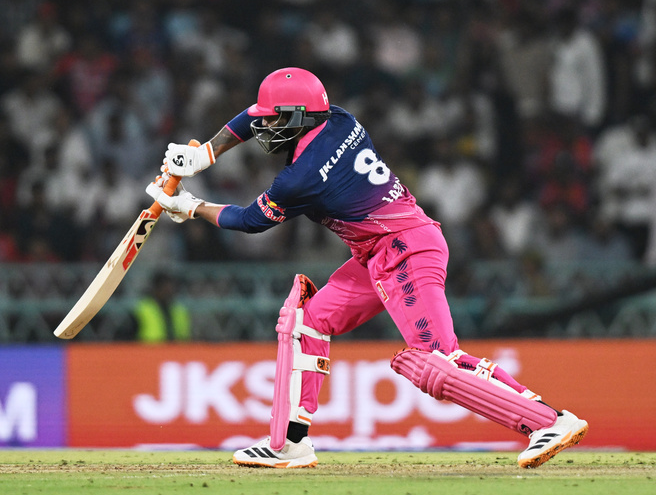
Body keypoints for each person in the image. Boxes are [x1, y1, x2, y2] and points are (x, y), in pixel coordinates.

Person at [146, 67, 587, 469]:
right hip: (379, 254)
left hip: (405, 253)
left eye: (277, 120)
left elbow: (249, 221)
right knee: (307, 320)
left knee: (435, 361)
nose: (266, 127)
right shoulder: (339, 118)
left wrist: (191, 206)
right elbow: (252, 115)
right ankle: (290, 445)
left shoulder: (302, 177)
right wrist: (206, 153)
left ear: (300, 118)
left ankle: (549, 420)